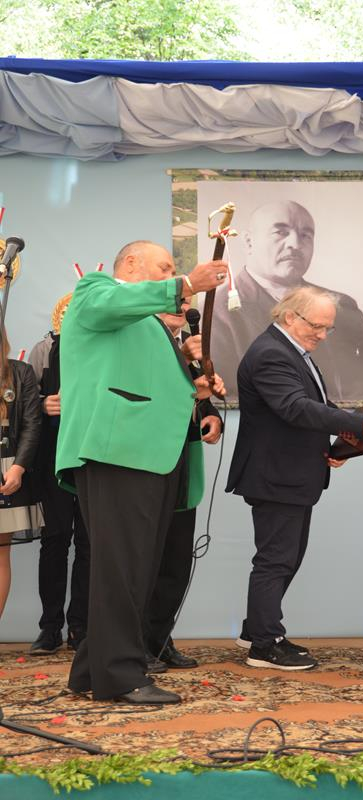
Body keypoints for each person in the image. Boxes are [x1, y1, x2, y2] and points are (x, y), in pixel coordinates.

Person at [56, 240, 228, 704]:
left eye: (174, 271)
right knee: (124, 568)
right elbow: (110, 306)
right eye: (165, 267)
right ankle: (120, 676)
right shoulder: (95, 291)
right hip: (118, 450)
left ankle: (92, 670)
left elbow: (151, 385)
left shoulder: (149, 324)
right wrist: (187, 282)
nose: (172, 276)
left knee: (134, 568)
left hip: (151, 453)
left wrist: (195, 385)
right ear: (131, 264)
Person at [226, 285, 363, 671]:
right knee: (276, 560)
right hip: (276, 475)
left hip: (290, 473)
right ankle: (265, 646)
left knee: (285, 557)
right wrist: (360, 425)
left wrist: (345, 438)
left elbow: (315, 405)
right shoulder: (271, 354)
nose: (322, 335)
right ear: (290, 317)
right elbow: (294, 408)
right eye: (316, 326)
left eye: (327, 328)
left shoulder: (289, 350)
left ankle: (257, 629)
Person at [211, 200, 363, 403]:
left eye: (306, 235)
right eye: (280, 232)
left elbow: (361, 381)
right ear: (249, 242)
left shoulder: (342, 306)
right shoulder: (217, 312)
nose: (295, 244)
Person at [143, 293, 223, 672]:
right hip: (148, 466)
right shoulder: (141, 340)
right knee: (145, 560)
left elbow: (197, 397)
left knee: (176, 560)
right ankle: (134, 643)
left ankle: (160, 640)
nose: (181, 306)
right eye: (174, 299)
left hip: (182, 465)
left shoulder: (189, 347)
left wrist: (211, 415)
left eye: (186, 300)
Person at [28, 304, 90, 656]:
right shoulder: (45, 348)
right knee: (54, 540)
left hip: (95, 458)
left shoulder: (106, 345)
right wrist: (42, 403)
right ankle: (50, 627)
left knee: (90, 543)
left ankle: (81, 627)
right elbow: (24, 402)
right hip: (53, 457)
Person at [0, 328, 43, 620]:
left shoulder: (20, 372)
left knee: (0, 553)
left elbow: (31, 423)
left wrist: (18, 467)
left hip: (8, 470)